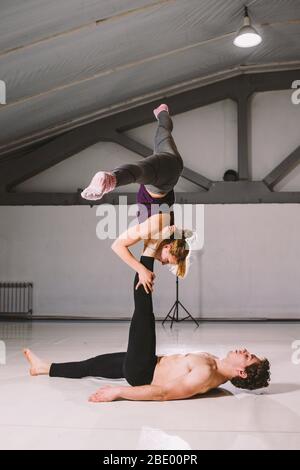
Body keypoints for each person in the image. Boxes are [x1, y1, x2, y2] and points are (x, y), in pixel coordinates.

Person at [23, 256, 270, 403]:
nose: (245, 351)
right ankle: (43, 368)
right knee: (92, 365)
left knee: (144, 313)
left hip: (142, 370)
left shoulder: (205, 374)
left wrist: (118, 392)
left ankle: (147, 253)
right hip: (146, 362)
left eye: (248, 357)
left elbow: (163, 393)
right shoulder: (216, 370)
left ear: (242, 372)